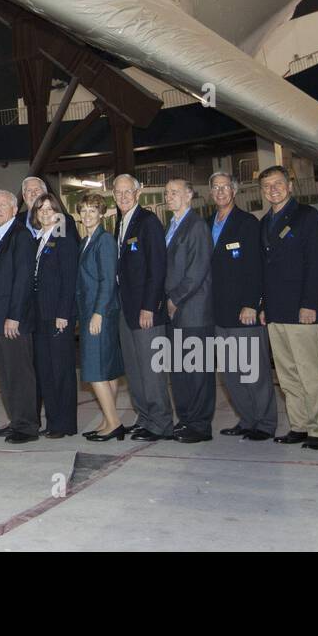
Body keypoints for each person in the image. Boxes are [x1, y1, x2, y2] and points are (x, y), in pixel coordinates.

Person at [258, 166, 318, 450]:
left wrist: (310, 303)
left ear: (290, 185)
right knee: (287, 373)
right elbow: (265, 270)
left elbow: (317, 263)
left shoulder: (307, 216)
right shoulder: (265, 222)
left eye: (277, 184)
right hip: (276, 310)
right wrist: (263, 305)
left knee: (309, 371)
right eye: (267, 186)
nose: (272, 189)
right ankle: (299, 425)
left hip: (301, 309)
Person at [206, 173, 275, 441]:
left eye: (226, 187)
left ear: (234, 190)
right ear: (211, 192)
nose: (221, 191)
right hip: (218, 312)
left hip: (243, 311)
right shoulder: (207, 223)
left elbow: (256, 268)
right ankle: (247, 419)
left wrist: (251, 303)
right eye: (216, 188)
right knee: (231, 373)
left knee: (253, 371)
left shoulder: (247, 223)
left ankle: (265, 423)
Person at [112, 174, 172, 441]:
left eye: (128, 192)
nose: (123, 197)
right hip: (126, 310)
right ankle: (144, 418)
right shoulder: (121, 223)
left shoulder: (148, 222)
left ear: (138, 193)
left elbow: (157, 269)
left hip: (146, 311)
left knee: (151, 370)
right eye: (118, 192)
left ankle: (160, 423)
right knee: (135, 370)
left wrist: (150, 307)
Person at [0, 189, 39, 444]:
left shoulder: (21, 236)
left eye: (2, 205)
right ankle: (17, 419)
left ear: (15, 209)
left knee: (19, 373)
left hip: (12, 320)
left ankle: (27, 426)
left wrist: (14, 316)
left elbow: (23, 280)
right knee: (5, 374)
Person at [163, 179, 215, 443]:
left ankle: (200, 426)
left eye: (174, 192)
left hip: (193, 311)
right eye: (167, 193)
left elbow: (197, 271)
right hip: (175, 315)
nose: (169, 196)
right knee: (180, 372)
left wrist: (174, 299)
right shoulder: (171, 226)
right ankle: (185, 420)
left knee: (197, 372)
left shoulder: (196, 226)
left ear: (189, 195)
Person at [30, 192, 79, 438]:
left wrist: (63, 313)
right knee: (45, 370)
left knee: (61, 370)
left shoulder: (64, 238)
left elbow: (69, 279)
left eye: (50, 209)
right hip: (39, 315)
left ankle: (65, 423)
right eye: (41, 209)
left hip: (57, 315)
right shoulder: (40, 238)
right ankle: (52, 420)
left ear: (58, 212)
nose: (45, 213)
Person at [76, 194, 125, 440]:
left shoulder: (104, 241)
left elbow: (108, 280)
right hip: (92, 311)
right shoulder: (86, 240)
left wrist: (98, 313)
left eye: (92, 211)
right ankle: (109, 419)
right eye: (84, 211)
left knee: (95, 371)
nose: (87, 216)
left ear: (102, 214)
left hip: (99, 312)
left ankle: (114, 423)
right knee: (107, 370)